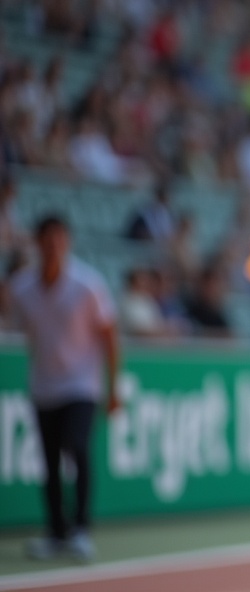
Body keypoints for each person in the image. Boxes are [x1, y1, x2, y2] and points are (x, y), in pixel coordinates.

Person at [9, 214, 121, 562]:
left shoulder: (88, 285)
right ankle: (56, 532)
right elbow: (21, 327)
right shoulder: (22, 288)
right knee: (49, 461)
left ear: (67, 242)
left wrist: (113, 388)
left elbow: (109, 338)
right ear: (38, 243)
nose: (54, 246)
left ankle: (81, 530)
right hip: (44, 386)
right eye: (47, 239)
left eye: (60, 239)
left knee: (76, 446)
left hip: (81, 385)